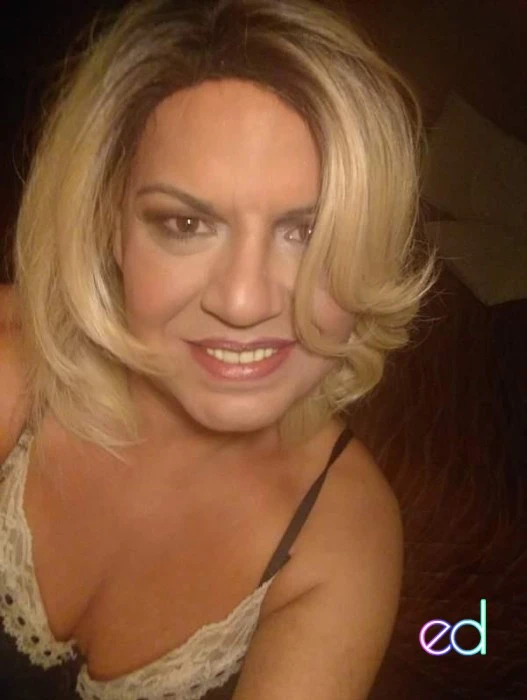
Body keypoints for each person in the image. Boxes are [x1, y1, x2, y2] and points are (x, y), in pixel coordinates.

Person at [0, 0, 435, 698]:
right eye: (185, 223)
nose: (242, 302)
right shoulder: (14, 360)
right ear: (110, 226)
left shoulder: (342, 538)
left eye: (307, 233)